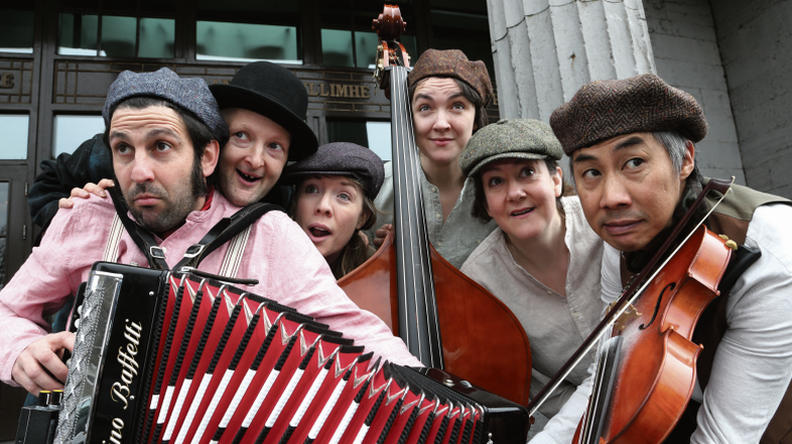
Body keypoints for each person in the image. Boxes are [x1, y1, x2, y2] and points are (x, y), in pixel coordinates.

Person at [0, 67, 420, 395]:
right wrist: (18, 348)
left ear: (206, 156)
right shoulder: (87, 214)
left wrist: (431, 390)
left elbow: (355, 333)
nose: (139, 171)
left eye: (161, 146)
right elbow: (9, 311)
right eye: (123, 149)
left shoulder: (272, 234)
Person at [548, 73, 792, 442]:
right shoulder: (622, 240)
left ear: (684, 160)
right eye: (591, 172)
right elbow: (611, 369)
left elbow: (723, 437)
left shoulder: (773, 252)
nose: (611, 197)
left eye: (633, 162)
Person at [28, 61, 316, 233]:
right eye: (241, 135)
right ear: (212, 144)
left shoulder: (283, 205)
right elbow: (47, 185)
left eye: (275, 146)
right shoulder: (131, 154)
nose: (255, 160)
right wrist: (73, 217)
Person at [457, 119, 605, 441]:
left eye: (527, 173)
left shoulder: (603, 224)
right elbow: (537, 388)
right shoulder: (478, 281)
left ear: (555, 179)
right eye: (496, 182)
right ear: (485, 203)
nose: (515, 193)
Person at [371, 48, 497, 268]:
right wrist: (371, 254)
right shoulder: (377, 187)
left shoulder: (502, 185)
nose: (440, 124)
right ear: (409, 118)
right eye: (425, 108)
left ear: (476, 118)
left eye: (457, 106)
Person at [283, 142, 383, 279]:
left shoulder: (377, 281)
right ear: (296, 202)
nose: (323, 206)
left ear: (362, 217)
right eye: (312, 189)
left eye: (343, 196)